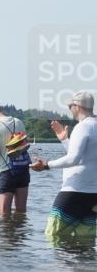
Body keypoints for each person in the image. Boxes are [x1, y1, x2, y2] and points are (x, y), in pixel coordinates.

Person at [30, 91, 97, 245]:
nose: (69, 109)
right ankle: (84, 269)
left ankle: (60, 268)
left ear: (77, 106)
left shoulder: (83, 127)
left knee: (53, 236)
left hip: (74, 192)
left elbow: (74, 159)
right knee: (85, 241)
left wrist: (47, 165)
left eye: (70, 106)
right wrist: (65, 140)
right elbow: (86, 157)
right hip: (93, 195)